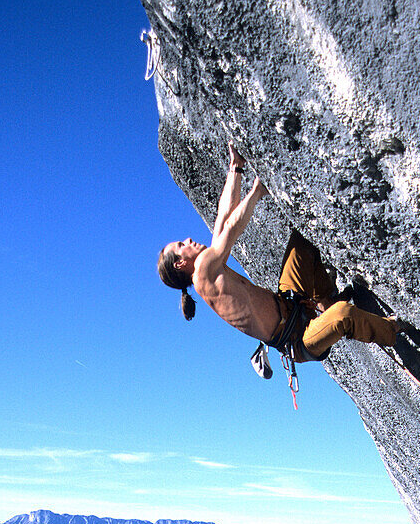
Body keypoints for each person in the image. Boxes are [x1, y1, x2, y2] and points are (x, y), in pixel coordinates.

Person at [158, 143, 401, 365]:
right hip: (299, 340)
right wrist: (256, 192)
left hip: (291, 302)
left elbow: (222, 218)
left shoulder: (208, 269)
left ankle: (326, 301)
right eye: (181, 245)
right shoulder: (203, 272)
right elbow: (231, 229)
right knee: (343, 315)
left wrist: (236, 167)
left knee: (301, 242)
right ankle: (393, 330)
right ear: (180, 264)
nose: (188, 240)